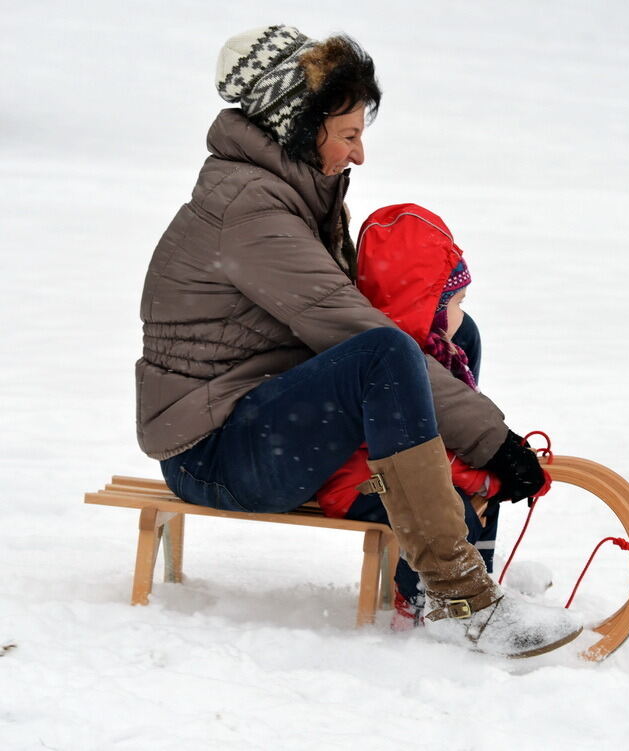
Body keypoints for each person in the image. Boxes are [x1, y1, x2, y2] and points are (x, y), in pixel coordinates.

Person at [136, 25, 580, 656]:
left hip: (270, 417)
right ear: (297, 124)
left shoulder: (297, 195)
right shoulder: (251, 212)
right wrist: (490, 439)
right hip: (213, 449)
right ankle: (458, 597)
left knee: (449, 332)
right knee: (387, 352)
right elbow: (354, 331)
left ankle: (449, 576)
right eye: (349, 134)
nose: (359, 154)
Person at [314, 203, 510, 629]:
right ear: (431, 306)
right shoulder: (387, 362)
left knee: (479, 499)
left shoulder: (439, 350)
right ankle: (418, 606)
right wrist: (482, 474)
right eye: (457, 301)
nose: (462, 314)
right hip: (359, 480)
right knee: (448, 512)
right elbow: (410, 460)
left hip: (400, 475)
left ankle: (484, 586)